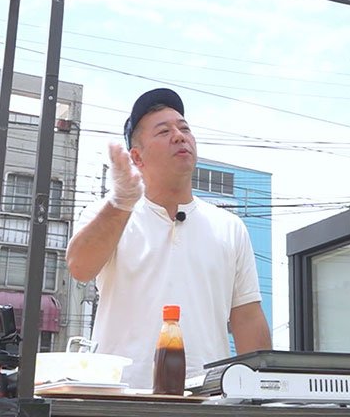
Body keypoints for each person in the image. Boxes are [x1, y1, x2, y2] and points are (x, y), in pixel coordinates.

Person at [66, 88, 271, 388]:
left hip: (207, 399)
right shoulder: (108, 213)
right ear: (137, 157)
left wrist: (263, 390)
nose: (179, 135)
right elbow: (79, 267)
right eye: (164, 131)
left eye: (184, 128)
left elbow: (247, 317)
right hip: (119, 399)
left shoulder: (229, 226)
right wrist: (122, 201)